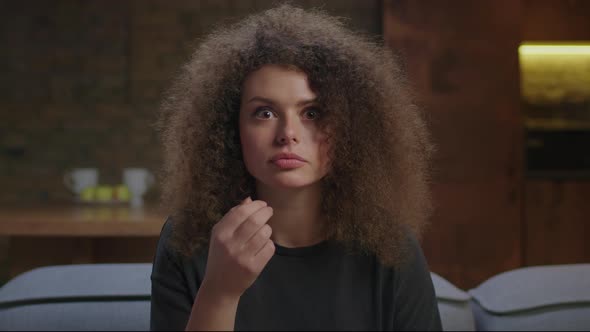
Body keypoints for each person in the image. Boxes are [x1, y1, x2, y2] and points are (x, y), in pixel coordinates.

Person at [151, 4, 441, 331]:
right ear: (230, 130)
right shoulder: (187, 241)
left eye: (312, 113)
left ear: (349, 128)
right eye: (265, 113)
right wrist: (219, 293)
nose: (288, 134)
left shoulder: (392, 250)